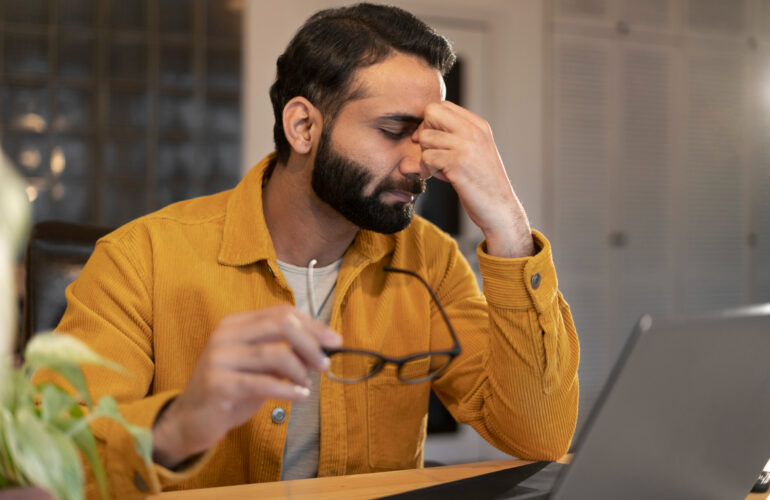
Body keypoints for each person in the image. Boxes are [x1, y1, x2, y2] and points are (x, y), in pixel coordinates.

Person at [51, 3, 579, 498]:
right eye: (395, 130)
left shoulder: (430, 259)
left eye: (428, 136)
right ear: (303, 126)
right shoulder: (139, 258)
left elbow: (537, 438)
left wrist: (508, 226)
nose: (421, 164)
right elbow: (51, 468)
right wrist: (180, 425)